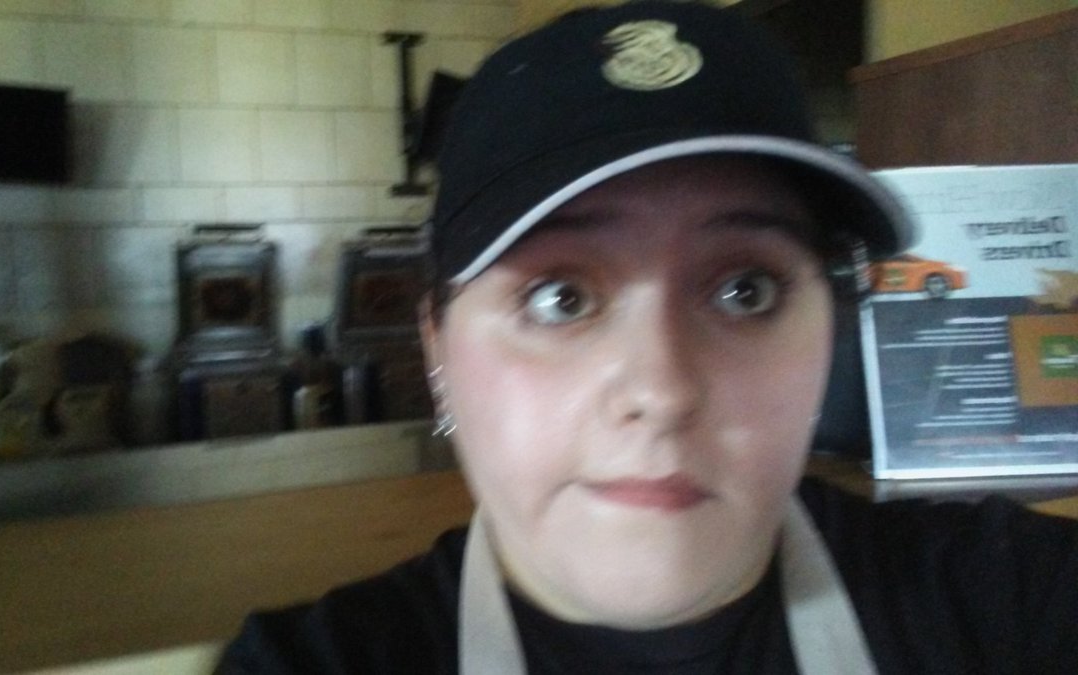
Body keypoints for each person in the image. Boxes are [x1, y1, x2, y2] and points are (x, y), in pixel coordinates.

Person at [218, 2, 1078, 673]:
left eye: (745, 290)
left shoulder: (1000, 599)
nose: (661, 390)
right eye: (560, 298)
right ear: (438, 348)